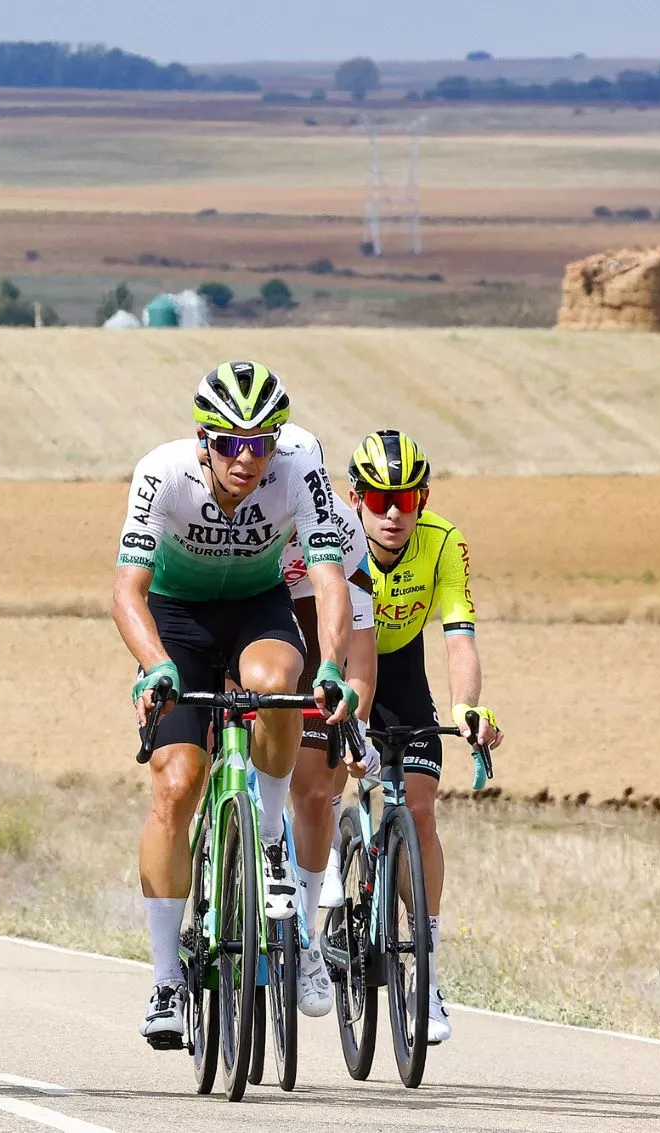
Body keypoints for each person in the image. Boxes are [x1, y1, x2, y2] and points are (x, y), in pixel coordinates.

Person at [112, 361, 358, 1048]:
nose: (247, 458)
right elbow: (126, 592)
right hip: (177, 614)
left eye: (261, 443)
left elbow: (329, 578)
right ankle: (165, 979)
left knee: (282, 683)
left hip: (255, 605)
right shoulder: (161, 472)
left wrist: (333, 663)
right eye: (231, 443)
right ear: (203, 440)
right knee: (177, 781)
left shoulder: (301, 462)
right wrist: (156, 663)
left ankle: (270, 843)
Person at [338, 428, 502, 1044]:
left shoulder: (442, 542)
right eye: (378, 501)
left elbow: (460, 634)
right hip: (338, 662)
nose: (391, 514)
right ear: (355, 498)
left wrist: (467, 707)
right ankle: (322, 861)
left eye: (405, 501)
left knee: (422, 811)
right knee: (326, 770)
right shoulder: (338, 538)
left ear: (424, 500)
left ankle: (425, 973)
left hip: (402, 670)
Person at [273, 421, 380, 1018]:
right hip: (249, 615)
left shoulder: (341, 529)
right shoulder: (237, 510)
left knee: (315, 793)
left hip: (318, 622)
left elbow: (359, 649)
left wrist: (352, 716)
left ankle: (305, 937)